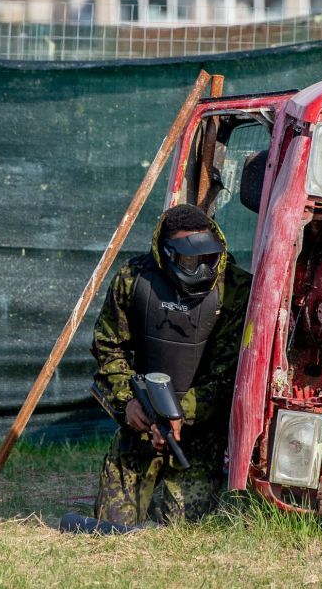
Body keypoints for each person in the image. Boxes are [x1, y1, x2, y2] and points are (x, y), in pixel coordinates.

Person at [90, 204, 251, 525]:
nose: (203, 269)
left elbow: (227, 376)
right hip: (141, 421)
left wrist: (180, 416)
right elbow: (108, 347)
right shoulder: (133, 278)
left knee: (181, 525)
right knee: (112, 522)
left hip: (199, 433)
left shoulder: (235, 289)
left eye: (209, 258)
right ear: (167, 253)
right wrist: (129, 403)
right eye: (191, 261)